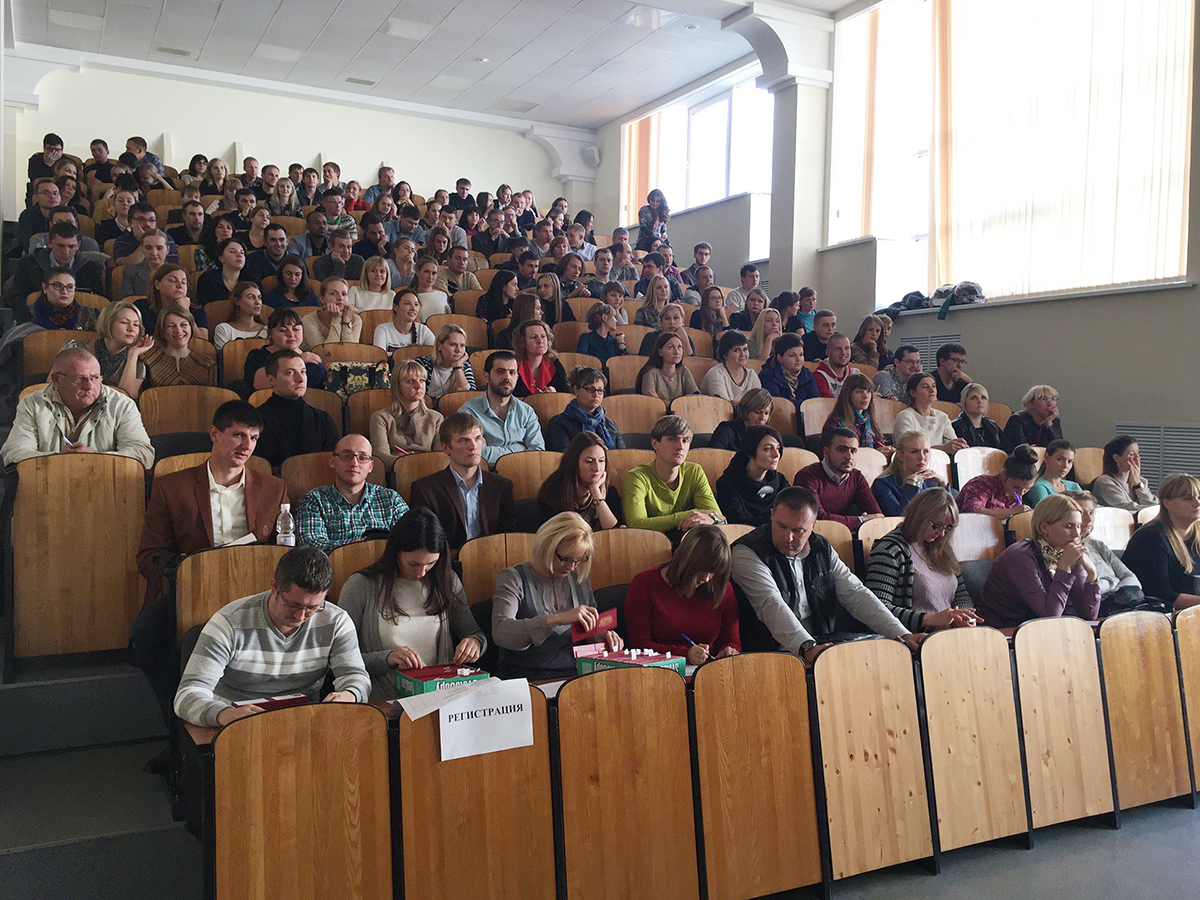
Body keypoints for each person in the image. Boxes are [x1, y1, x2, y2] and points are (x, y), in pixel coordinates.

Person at [132, 400, 287, 724]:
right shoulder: (171, 486)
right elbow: (148, 557)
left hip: (255, 591)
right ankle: (178, 725)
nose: (247, 446)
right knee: (147, 633)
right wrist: (190, 569)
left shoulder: (273, 488)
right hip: (192, 590)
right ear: (214, 434)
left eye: (254, 438)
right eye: (238, 435)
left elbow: (285, 549)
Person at [174, 547, 370, 728]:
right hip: (237, 725)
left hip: (304, 722)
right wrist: (224, 714)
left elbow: (356, 677)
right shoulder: (229, 622)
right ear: (274, 587)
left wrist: (349, 695)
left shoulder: (336, 621)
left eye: (312, 608)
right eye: (293, 605)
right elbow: (186, 696)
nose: (300, 617)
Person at [730, 487, 914, 657]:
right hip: (769, 652)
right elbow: (770, 604)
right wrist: (807, 647)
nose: (788, 537)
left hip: (821, 644)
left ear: (813, 526)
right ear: (771, 515)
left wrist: (901, 634)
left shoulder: (822, 548)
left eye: (798, 530)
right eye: (781, 526)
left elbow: (856, 594)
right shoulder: (747, 551)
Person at [340, 509, 485, 701]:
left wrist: (474, 643)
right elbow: (341, 658)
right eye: (413, 564)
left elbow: (475, 633)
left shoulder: (447, 581)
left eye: (431, 564)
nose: (422, 572)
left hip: (439, 695)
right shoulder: (361, 586)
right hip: (386, 698)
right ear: (396, 552)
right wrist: (387, 658)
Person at [492, 511, 623, 680]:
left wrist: (599, 637)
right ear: (546, 547)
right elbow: (501, 633)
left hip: (575, 674)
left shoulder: (578, 578)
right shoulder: (513, 578)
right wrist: (555, 619)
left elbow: (587, 634)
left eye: (578, 560)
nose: (571, 567)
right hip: (525, 677)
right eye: (565, 559)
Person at [2, 345, 154, 467]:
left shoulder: (122, 404)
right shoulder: (32, 403)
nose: (89, 386)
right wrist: (58, 459)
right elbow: (14, 453)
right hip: (48, 486)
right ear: (56, 380)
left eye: (95, 378)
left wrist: (96, 458)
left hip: (106, 486)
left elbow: (143, 453)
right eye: (80, 379)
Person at [864, 488, 983, 631]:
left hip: (948, 633)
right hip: (914, 636)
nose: (942, 533)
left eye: (947, 528)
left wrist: (964, 616)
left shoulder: (943, 548)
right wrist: (928, 620)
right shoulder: (889, 550)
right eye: (937, 526)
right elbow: (877, 609)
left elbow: (961, 594)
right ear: (919, 517)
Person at [980, 495, 1102, 628]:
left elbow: (1088, 614)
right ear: (1044, 528)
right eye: (1069, 526)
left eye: (1078, 526)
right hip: (1006, 628)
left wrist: (1092, 574)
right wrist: (1064, 568)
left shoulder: (1068, 552)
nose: (1077, 534)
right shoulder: (1020, 556)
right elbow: (1050, 616)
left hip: (1038, 627)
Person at [625, 526, 740, 662]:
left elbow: (732, 640)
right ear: (687, 562)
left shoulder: (722, 587)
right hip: (658, 668)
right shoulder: (644, 583)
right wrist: (685, 654)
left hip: (708, 667)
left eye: (713, 572)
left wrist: (729, 650)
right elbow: (639, 645)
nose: (706, 578)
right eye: (702, 571)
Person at [409, 413, 517, 550]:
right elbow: (427, 540)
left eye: (477, 438)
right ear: (446, 448)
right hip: (448, 560)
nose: (473, 446)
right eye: (463, 440)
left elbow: (508, 537)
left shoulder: (501, 486)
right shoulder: (425, 489)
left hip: (493, 555)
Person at [296, 434, 409, 553]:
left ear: (370, 466)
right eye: (346, 456)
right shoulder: (313, 500)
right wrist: (364, 544)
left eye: (362, 457)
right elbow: (311, 547)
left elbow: (410, 540)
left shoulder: (391, 499)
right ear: (332, 462)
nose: (354, 463)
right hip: (335, 565)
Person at [623, 415, 724, 535]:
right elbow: (636, 524)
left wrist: (712, 518)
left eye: (685, 441)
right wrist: (687, 515)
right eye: (672, 439)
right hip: (648, 542)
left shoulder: (694, 471)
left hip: (687, 540)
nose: (680, 447)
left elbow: (718, 517)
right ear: (655, 443)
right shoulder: (637, 477)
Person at [1064, 490, 1154, 616]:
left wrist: (1112, 592)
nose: (1089, 519)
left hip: (1120, 606)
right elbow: (1084, 594)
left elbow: (1131, 578)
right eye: (1081, 513)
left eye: (1091, 513)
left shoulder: (1097, 545)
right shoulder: (1065, 553)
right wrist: (1114, 582)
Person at [1124, 474, 1200, 611]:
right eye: (1187, 498)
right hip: (1160, 614)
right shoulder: (1150, 538)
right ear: (1166, 503)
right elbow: (1162, 596)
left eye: (1199, 497)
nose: (1197, 503)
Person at [253, 349, 339, 470]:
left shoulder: (323, 420)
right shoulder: (254, 421)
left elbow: (331, 466)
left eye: (303, 372)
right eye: (290, 372)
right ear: (271, 380)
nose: (300, 379)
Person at [460, 351, 545, 464]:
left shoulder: (527, 412)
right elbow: (474, 453)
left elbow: (538, 453)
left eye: (512, 372)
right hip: (485, 473)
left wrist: (490, 450)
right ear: (486, 376)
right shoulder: (469, 412)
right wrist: (519, 448)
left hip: (523, 471)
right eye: (500, 372)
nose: (507, 377)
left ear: (517, 377)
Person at [793, 428, 884, 530]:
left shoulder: (856, 476)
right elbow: (818, 519)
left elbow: (877, 517)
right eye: (842, 450)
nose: (849, 456)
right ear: (826, 452)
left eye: (853, 451)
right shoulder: (807, 476)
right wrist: (860, 520)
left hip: (844, 535)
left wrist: (859, 521)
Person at [537, 432, 623, 531]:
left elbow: (613, 532)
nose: (597, 468)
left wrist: (596, 492)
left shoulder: (609, 491)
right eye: (589, 461)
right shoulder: (553, 490)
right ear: (574, 462)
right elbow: (555, 534)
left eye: (601, 461)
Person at [370, 359, 444, 466]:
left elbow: (441, 456)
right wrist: (401, 462)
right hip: (396, 470)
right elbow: (380, 456)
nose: (418, 386)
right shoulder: (381, 417)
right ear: (397, 386)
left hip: (429, 468)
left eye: (422, 380)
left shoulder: (436, 418)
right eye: (411, 381)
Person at [716, 425, 790, 526]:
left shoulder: (780, 481)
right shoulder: (727, 483)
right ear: (750, 451)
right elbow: (738, 523)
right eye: (767, 449)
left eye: (778, 448)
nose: (776, 454)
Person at [245, 308, 327, 391]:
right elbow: (258, 383)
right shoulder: (257, 356)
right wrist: (298, 359)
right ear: (270, 333)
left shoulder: (310, 357)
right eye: (283, 330)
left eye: (295, 329)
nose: (291, 334)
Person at [545, 366, 623, 452]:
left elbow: (621, 455)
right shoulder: (559, 423)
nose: (596, 395)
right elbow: (565, 457)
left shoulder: (610, 425)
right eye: (590, 389)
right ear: (576, 389)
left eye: (600, 390)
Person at [140, 305, 217, 391]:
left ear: (191, 329)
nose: (178, 330)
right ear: (162, 331)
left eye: (183, 325)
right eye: (171, 326)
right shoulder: (148, 361)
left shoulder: (207, 364)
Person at [893, 374, 969, 455]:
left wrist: (958, 446)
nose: (932, 390)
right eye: (925, 387)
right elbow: (910, 450)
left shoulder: (943, 417)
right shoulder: (904, 417)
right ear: (913, 393)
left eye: (933, 386)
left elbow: (952, 443)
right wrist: (944, 448)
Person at [871, 433, 945, 516]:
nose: (922, 457)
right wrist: (911, 486)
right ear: (900, 455)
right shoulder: (882, 484)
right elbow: (899, 517)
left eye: (926, 451)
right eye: (914, 452)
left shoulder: (932, 482)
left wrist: (943, 484)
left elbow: (947, 516)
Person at [956, 444, 1039, 518]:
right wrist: (1011, 512)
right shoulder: (982, 484)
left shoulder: (1015, 493)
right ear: (1004, 474)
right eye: (1016, 487)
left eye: (1027, 489)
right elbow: (972, 511)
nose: (1020, 493)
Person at [93, 300, 150, 396]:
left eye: (136, 325)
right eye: (124, 322)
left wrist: (133, 354)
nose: (131, 329)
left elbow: (126, 397)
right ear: (108, 323)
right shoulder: (78, 348)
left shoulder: (138, 366)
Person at [821, 373, 889, 451]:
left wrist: (884, 450)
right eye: (859, 392)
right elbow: (839, 453)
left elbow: (878, 445)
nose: (865, 396)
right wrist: (876, 452)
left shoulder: (869, 421)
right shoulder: (836, 422)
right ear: (848, 395)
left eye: (868, 392)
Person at [1091, 436, 1158, 512]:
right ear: (1116, 458)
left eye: (1138, 453)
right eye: (1131, 454)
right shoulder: (1105, 482)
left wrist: (1138, 486)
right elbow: (1126, 509)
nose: (1137, 458)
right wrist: (1150, 510)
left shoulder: (1142, 481)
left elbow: (1153, 505)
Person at [759, 333, 819, 410]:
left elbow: (815, 402)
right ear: (780, 358)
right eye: (792, 355)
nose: (798, 359)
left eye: (801, 355)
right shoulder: (767, 375)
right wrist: (803, 405)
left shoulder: (807, 374)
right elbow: (779, 404)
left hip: (807, 415)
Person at [417, 323, 476, 401]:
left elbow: (470, 398)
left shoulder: (465, 367)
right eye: (453, 345)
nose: (458, 350)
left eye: (462, 345)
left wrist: (457, 367)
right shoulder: (422, 364)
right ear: (439, 346)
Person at [636, 332, 698, 404]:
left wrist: (662, 402)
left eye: (679, 347)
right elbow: (652, 403)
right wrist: (678, 405)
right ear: (660, 352)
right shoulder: (650, 373)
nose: (676, 352)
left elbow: (695, 399)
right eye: (671, 347)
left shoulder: (684, 371)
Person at [28, 267, 98, 331]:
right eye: (58, 286)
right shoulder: (29, 314)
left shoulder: (91, 315)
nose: (64, 291)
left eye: (70, 287)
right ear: (45, 288)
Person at [512, 320, 570, 396]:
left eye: (543, 336)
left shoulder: (554, 364)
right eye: (534, 337)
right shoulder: (513, 365)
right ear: (522, 342)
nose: (540, 341)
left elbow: (568, 396)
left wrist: (555, 395)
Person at [951, 382, 1014, 452]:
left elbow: (1008, 450)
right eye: (974, 398)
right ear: (964, 402)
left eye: (983, 398)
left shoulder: (993, 426)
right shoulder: (955, 426)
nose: (980, 401)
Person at [302, 277, 362, 348]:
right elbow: (325, 352)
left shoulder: (355, 319)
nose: (340, 298)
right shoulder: (309, 320)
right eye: (334, 293)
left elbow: (350, 350)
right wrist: (336, 318)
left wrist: (346, 321)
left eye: (344, 294)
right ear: (322, 299)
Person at [702, 331, 762, 402]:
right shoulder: (715, 374)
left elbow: (758, 404)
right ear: (725, 354)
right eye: (736, 350)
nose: (743, 354)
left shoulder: (752, 375)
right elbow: (725, 404)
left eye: (745, 349)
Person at [709, 389, 775, 452]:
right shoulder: (726, 429)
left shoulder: (767, 436)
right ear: (746, 410)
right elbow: (714, 455)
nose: (763, 418)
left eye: (766, 413)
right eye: (758, 412)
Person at [372, 288, 434, 353]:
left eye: (416, 304)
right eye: (407, 303)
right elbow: (379, 356)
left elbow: (436, 353)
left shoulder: (423, 330)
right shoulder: (383, 330)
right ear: (395, 307)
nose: (413, 308)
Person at [212, 281, 267, 351]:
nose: (257, 302)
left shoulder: (267, 330)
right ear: (237, 301)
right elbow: (224, 356)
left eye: (259, 298)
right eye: (251, 297)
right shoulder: (224, 329)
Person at [1024, 440, 1082, 506]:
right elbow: (1043, 512)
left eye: (1070, 461)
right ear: (1047, 458)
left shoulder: (1074, 486)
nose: (1065, 465)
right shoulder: (1040, 488)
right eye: (1060, 459)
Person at [197, 238, 247, 305]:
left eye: (242, 252)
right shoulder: (207, 279)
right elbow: (206, 307)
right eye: (232, 252)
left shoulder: (250, 280)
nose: (239, 255)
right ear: (221, 258)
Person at [813, 333, 859, 398]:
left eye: (847, 348)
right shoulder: (819, 376)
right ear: (827, 353)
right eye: (838, 349)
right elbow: (829, 402)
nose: (843, 352)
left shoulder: (855, 374)